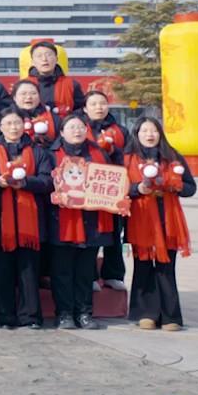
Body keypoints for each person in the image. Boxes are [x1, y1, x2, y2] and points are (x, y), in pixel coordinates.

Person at [40, 114, 115, 330]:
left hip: (91, 220)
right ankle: (64, 313)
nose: (77, 131)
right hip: (61, 221)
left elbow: (111, 182)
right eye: (71, 127)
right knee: (61, 271)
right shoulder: (51, 155)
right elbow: (44, 183)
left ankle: (84, 313)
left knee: (85, 271)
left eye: (81, 127)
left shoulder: (98, 154)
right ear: (62, 132)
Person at [125, 115, 194, 331]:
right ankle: (146, 313)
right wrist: (137, 189)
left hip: (169, 219)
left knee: (166, 267)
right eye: (144, 131)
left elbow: (191, 187)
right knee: (143, 266)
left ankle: (170, 316)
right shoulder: (127, 158)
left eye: (154, 130)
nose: (149, 135)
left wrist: (175, 185)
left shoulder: (172, 156)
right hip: (141, 219)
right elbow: (119, 188)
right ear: (136, 134)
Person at [0, 110, 47, 330]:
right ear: (0, 127)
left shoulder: (38, 152)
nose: (13, 127)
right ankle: (5, 316)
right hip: (0, 219)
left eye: (17, 123)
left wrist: (26, 183)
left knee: (28, 272)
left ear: (24, 125)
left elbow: (48, 181)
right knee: (2, 272)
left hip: (30, 222)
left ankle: (30, 316)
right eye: (8, 123)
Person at [80, 89, 131, 291]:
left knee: (115, 233)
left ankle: (113, 274)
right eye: (93, 104)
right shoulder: (79, 128)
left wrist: (113, 151)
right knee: (91, 233)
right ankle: (91, 275)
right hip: (88, 189)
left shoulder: (120, 131)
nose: (98, 108)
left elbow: (128, 157)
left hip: (113, 188)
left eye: (102, 103)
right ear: (85, 108)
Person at [26, 39, 83, 118]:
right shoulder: (24, 85)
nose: (44, 59)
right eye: (39, 56)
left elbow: (81, 110)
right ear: (33, 62)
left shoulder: (72, 84)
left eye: (48, 55)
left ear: (56, 59)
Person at [9, 78, 58, 146]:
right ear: (14, 97)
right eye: (23, 94)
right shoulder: (5, 118)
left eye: (33, 93)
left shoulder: (54, 118)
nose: (29, 97)